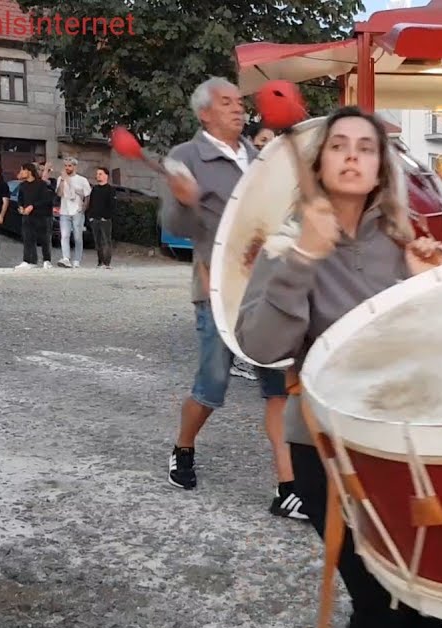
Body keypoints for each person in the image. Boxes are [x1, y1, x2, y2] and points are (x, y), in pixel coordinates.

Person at [236, 106, 442, 628]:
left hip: (403, 445)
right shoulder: (286, 240)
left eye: (366, 147)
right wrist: (303, 257)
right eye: (339, 146)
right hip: (325, 450)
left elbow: (437, 353)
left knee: (428, 603)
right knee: (383, 601)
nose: (353, 155)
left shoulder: (405, 242)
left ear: (381, 167)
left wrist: (430, 286)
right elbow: (262, 346)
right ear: (322, 164)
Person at [160, 76, 303, 521]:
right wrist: (184, 202)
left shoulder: (259, 157)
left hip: (266, 287)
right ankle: (183, 448)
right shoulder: (185, 158)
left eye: (239, 102)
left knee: (276, 386)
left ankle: (288, 488)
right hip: (216, 289)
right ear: (204, 113)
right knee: (212, 385)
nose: (238, 109)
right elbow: (173, 224)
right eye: (226, 103)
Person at [15, 162, 54, 270]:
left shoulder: (41, 184)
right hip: (27, 216)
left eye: (22, 170)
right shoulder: (22, 185)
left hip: (42, 215)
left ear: (29, 171)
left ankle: (47, 260)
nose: (21, 172)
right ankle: (29, 260)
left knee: (44, 239)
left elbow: (46, 200)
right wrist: (21, 207)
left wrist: (32, 206)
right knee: (28, 238)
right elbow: (20, 200)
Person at [55, 157, 92, 268]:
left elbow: (87, 195)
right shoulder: (60, 178)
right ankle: (66, 258)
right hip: (65, 210)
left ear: (75, 166)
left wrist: (83, 209)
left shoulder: (82, 180)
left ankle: (77, 259)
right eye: (65, 165)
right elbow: (59, 194)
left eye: (69, 165)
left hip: (77, 211)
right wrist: (63, 180)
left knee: (77, 236)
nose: (67, 168)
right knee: (65, 235)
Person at [87, 166, 116, 269]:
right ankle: (100, 262)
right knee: (97, 241)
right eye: (97, 174)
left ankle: (107, 263)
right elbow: (91, 203)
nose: (97, 176)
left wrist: (106, 216)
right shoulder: (94, 189)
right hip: (94, 219)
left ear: (106, 176)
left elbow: (112, 205)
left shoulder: (110, 189)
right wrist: (90, 216)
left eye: (100, 174)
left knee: (106, 241)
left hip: (105, 220)